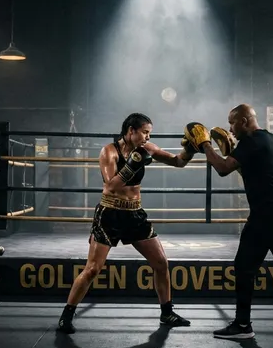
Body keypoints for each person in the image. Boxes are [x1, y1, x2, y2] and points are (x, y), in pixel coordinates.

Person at [56, 113, 196, 334]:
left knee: (161, 263)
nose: (147, 137)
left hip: (135, 214)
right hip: (109, 214)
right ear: (131, 131)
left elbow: (178, 162)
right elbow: (111, 186)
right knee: (93, 269)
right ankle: (66, 316)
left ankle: (166, 313)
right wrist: (132, 164)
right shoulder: (108, 152)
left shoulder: (147, 148)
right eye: (144, 132)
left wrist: (191, 150)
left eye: (149, 133)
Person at [198, 104, 273, 340]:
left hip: (267, 213)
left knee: (244, 266)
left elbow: (223, 169)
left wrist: (205, 145)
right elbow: (253, 171)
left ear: (244, 121)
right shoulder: (271, 140)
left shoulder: (251, 142)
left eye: (232, 123)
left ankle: (243, 325)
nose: (230, 129)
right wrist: (235, 153)